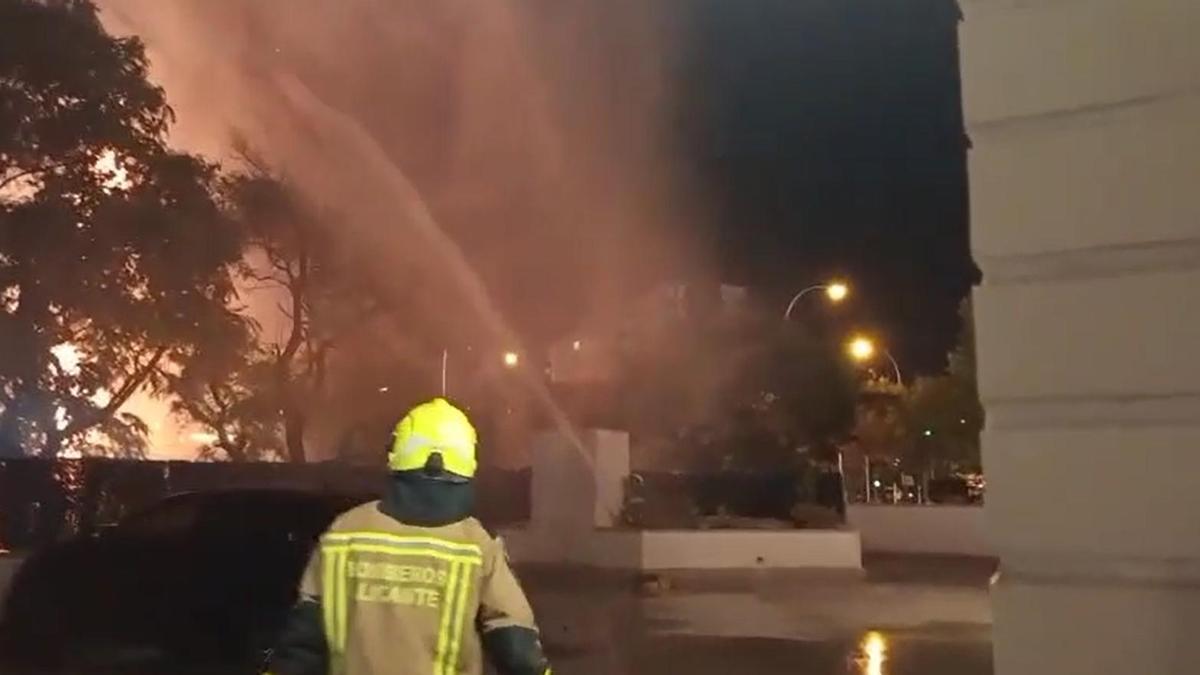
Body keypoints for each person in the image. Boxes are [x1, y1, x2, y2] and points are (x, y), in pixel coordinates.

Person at [265, 398, 551, 675]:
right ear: (467, 463)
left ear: (397, 455)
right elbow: (516, 649)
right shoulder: (474, 544)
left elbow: (302, 644)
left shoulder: (344, 532)